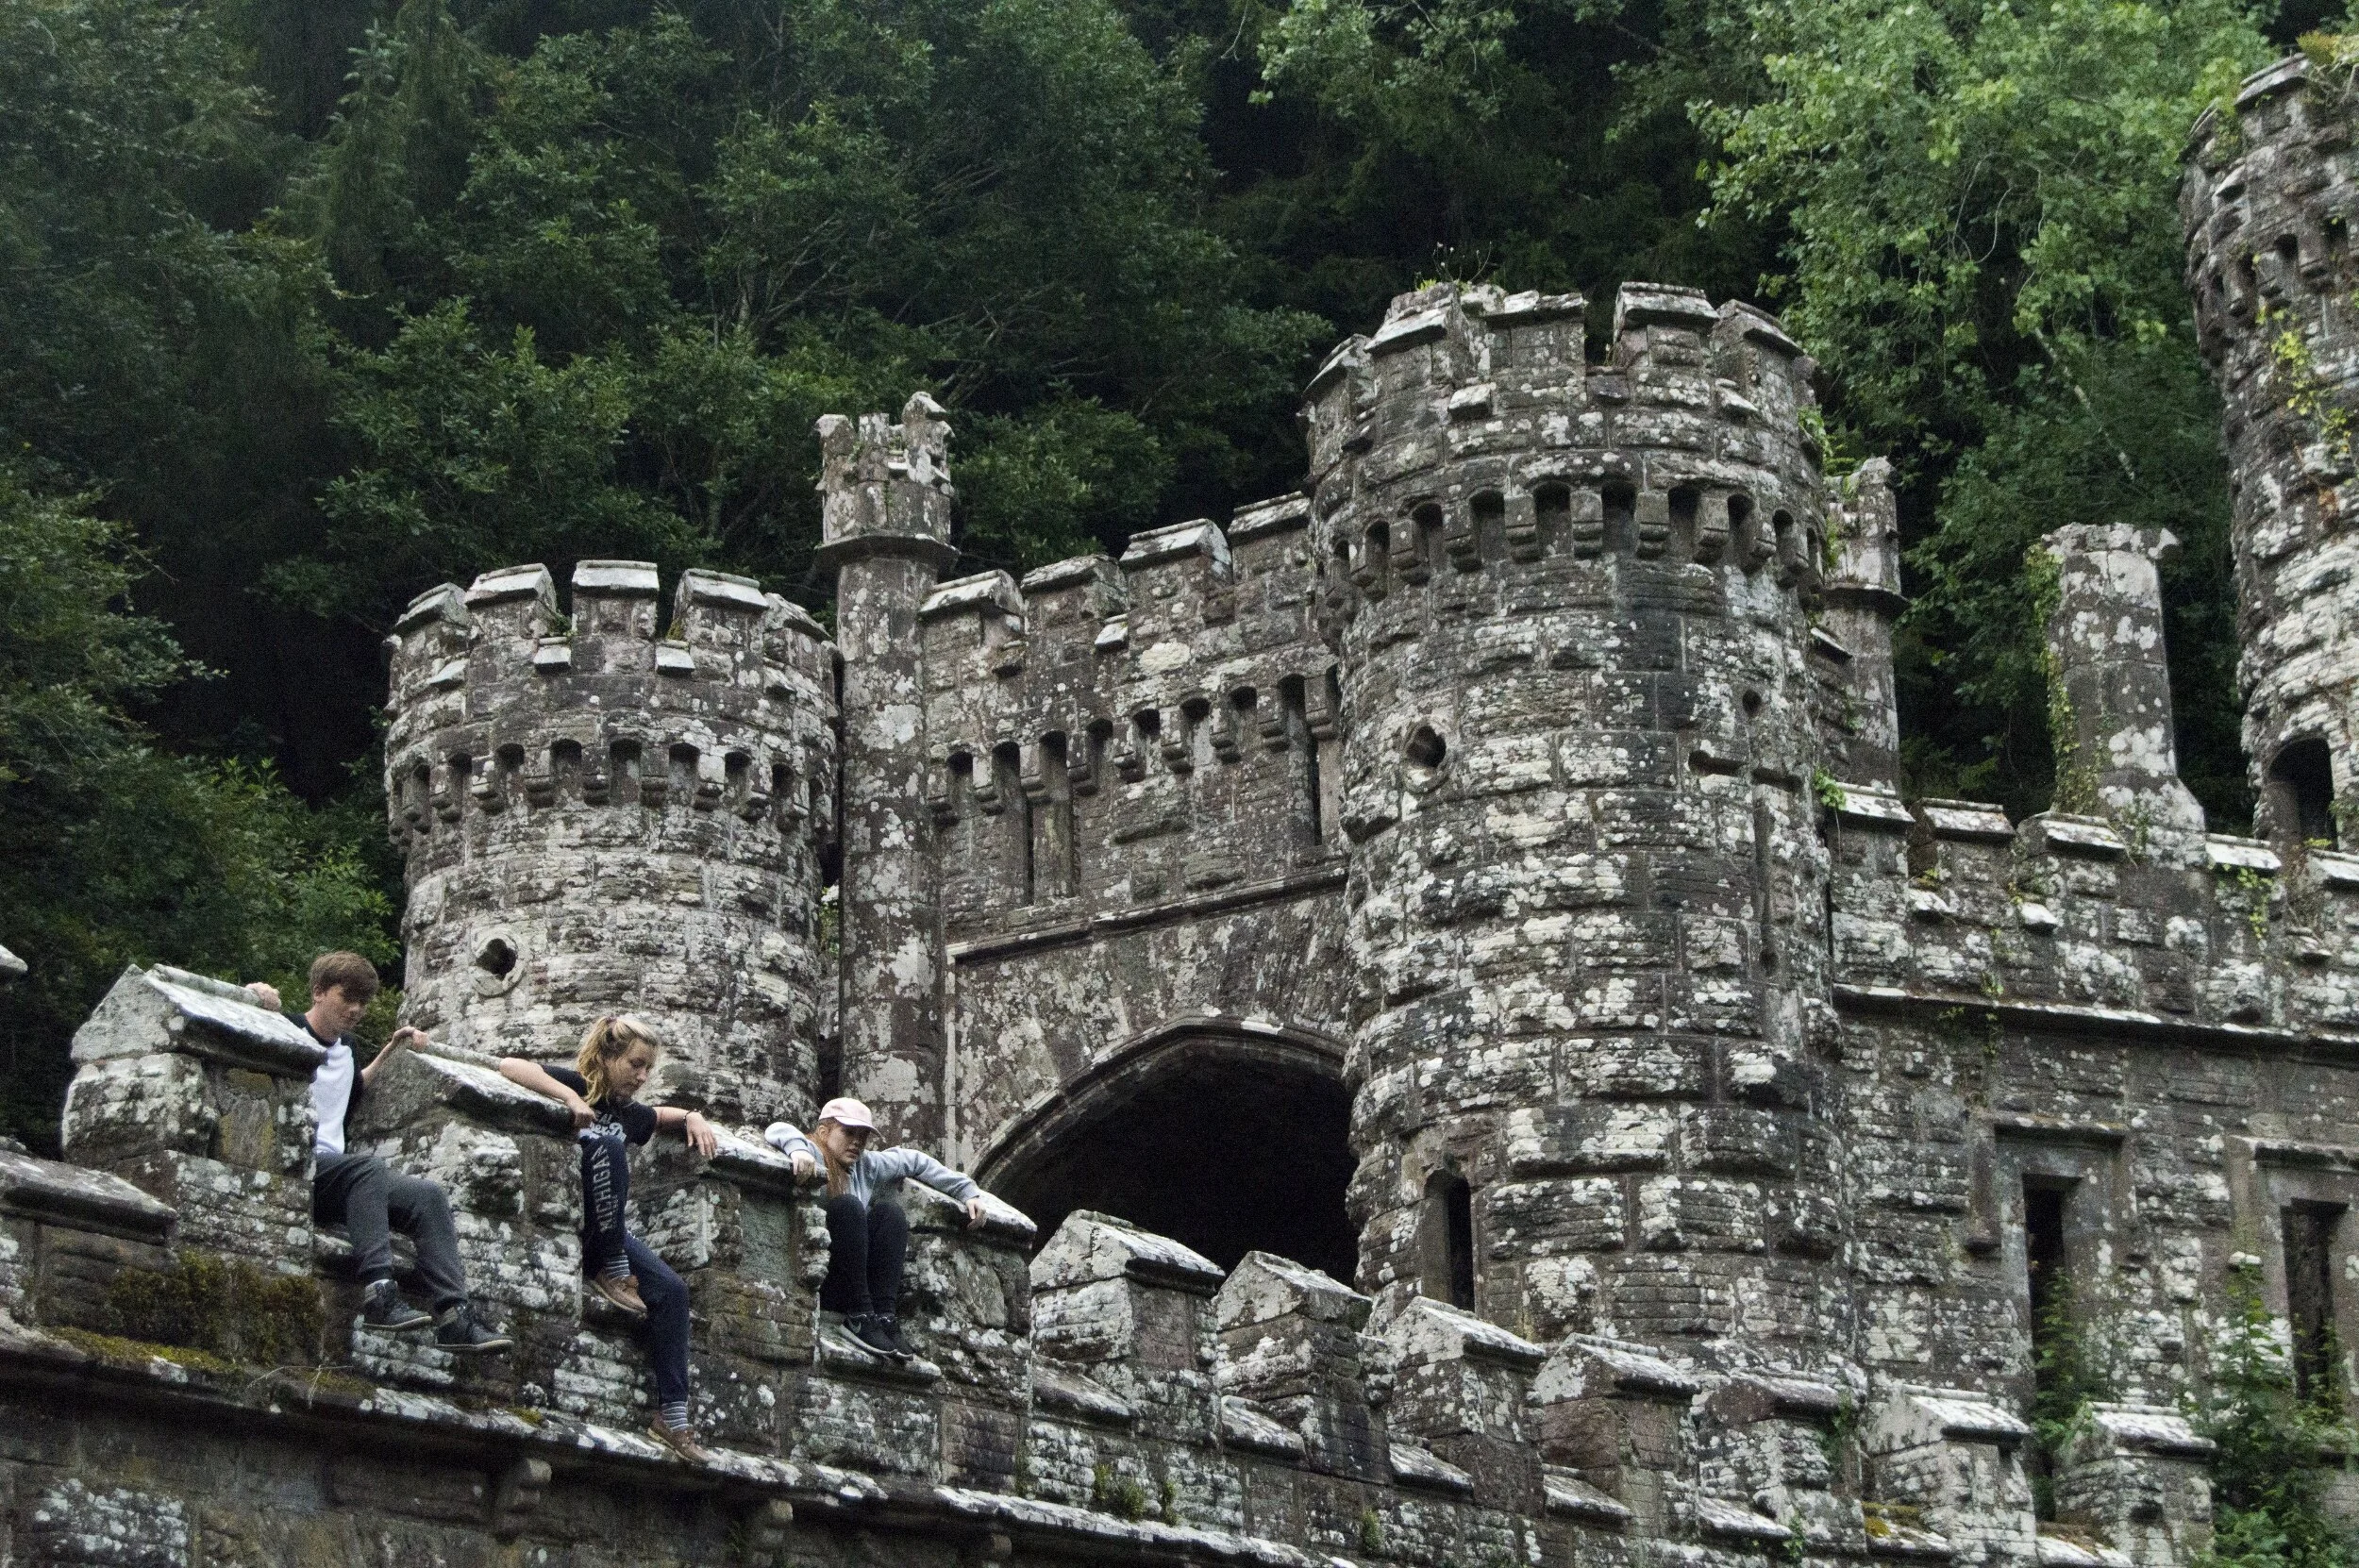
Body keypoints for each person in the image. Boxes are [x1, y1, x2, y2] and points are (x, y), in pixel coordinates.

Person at [245, 954, 510, 1354]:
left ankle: (455, 1315)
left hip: (337, 1176)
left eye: (364, 1002)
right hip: (297, 1166)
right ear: (318, 992)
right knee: (366, 1170)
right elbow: (244, 1026)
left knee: (427, 1196)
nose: (356, 1010)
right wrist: (252, 995)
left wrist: (392, 1049)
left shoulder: (348, 1049)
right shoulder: (288, 1030)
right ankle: (380, 1294)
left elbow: (354, 1085)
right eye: (346, 998)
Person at [497, 1014, 717, 1461]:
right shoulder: (576, 1083)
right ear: (608, 1055)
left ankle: (672, 1418)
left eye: (647, 1069)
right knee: (607, 1146)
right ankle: (613, 1271)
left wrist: (693, 1116)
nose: (641, 1077)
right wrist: (568, 1099)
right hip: (569, 1224)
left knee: (672, 1290)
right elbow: (509, 1066)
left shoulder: (629, 1114)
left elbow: (659, 1117)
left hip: (611, 1231)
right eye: (635, 1065)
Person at [763, 1097, 990, 1360]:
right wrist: (797, 1150)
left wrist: (968, 1192)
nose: (857, 1142)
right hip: (825, 1281)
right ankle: (858, 1316)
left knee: (889, 1214)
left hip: (859, 1281)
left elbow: (914, 1160)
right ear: (824, 1132)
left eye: (863, 1136)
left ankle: (883, 1317)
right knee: (847, 1207)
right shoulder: (813, 1151)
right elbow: (777, 1128)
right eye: (848, 1133)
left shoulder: (866, 1165)